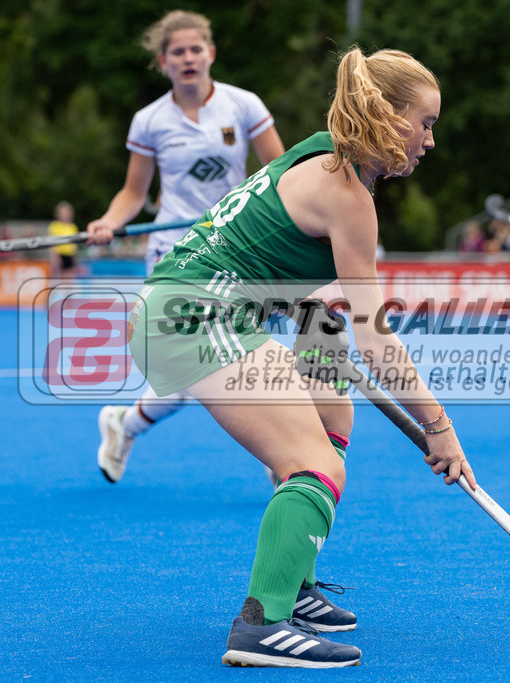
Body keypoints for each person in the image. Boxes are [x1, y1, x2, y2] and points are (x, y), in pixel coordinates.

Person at [114, 46, 475, 667]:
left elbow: (275, 262)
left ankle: (295, 579)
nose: (429, 140)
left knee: (334, 420)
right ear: (386, 116)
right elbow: (377, 337)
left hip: (195, 306)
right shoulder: (349, 197)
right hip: (194, 316)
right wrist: (439, 426)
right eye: (426, 122)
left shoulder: (319, 152)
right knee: (314, 463)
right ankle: (262, 624)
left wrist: (316, 320)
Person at [87, 10, 285, 484]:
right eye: (178, 52)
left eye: (196, 49)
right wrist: (109, 222)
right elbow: (134, 193)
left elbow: (281, 173)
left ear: (211, 54)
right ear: (163, 62)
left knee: (244, 356)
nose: (188, 58)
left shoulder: (243, 105)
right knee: (201, 365)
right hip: (175, 254)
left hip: (239, 248)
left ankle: (125, 422)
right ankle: (284, 456)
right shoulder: (149, 120)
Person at [48, 201, 79, 279]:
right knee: (58, 278)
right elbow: (52, 244)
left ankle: (68, 291)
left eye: (66, 212)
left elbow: (74, 245)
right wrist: (55, 258)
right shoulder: (54, 226)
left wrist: (74, 258)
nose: (65, 215)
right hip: (58, 255)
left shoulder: (73, 227)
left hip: (69, 256)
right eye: (62, 213)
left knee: (69, 278)